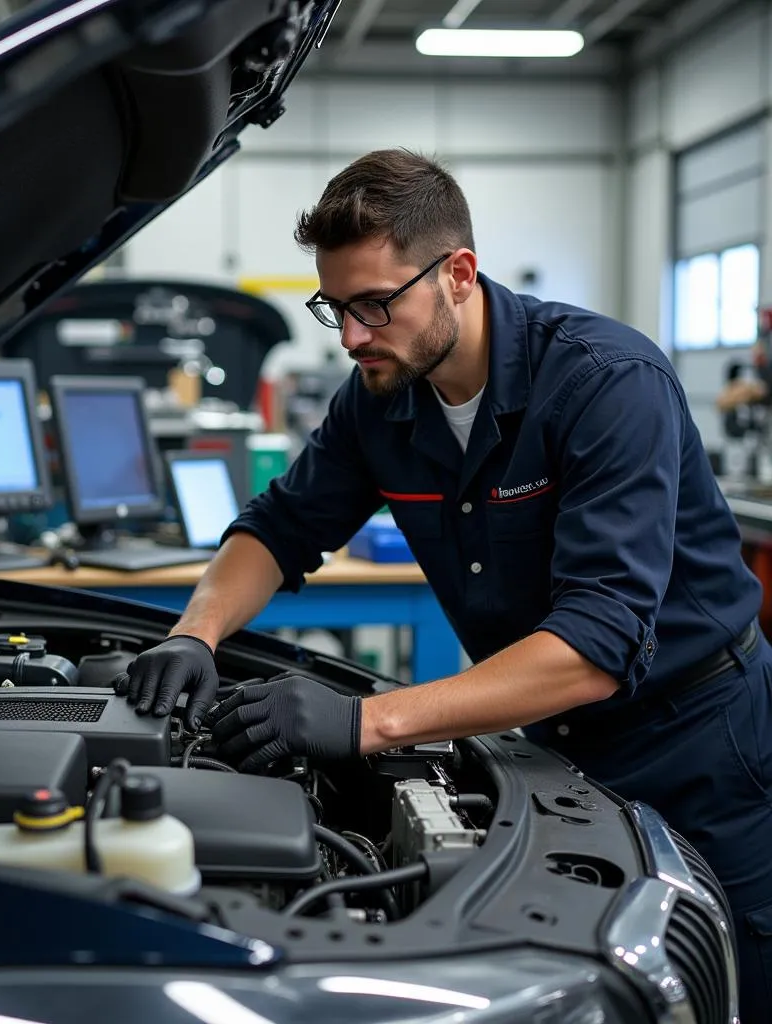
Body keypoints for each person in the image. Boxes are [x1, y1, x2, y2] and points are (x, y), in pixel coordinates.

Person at [113, 148, 772, 1019]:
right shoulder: (380, 398)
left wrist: (365, 722)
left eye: (375, 305)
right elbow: (279, 529)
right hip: (553, 747)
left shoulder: (607, 384)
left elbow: (598, 644)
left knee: (724, 985)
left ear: (458, 273)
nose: (351, 337)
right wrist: (194, 632)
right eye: (334, 308)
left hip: (701, 744)